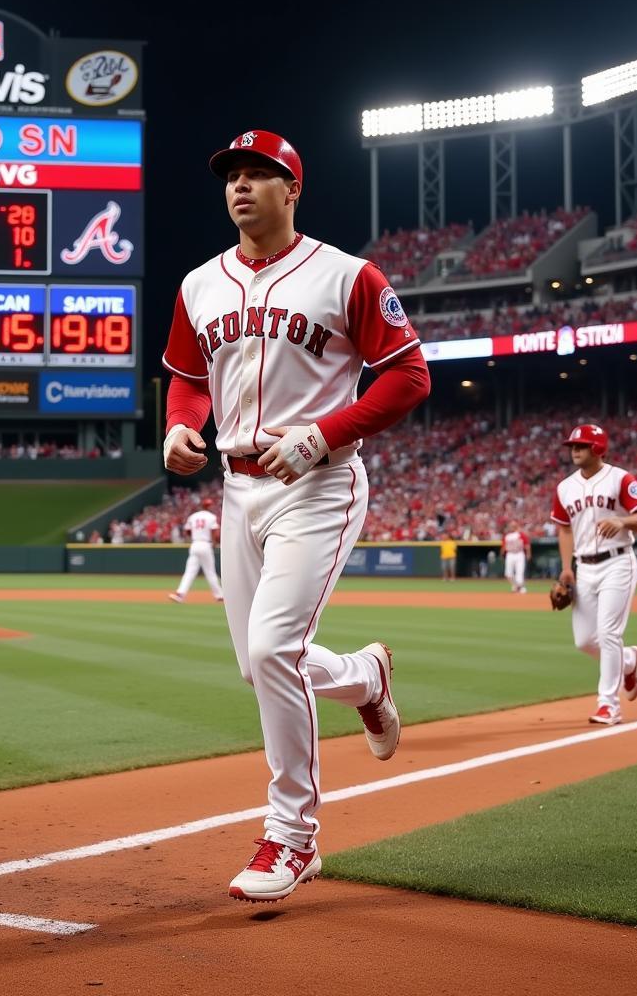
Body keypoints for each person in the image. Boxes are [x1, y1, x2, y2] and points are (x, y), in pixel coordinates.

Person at [162, 129, 431, 902]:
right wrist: (182, 425)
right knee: (260, 662)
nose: (241, 186)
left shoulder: (346, 275)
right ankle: (362, 676)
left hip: (319, 483)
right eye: (232, 176)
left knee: (275, 647)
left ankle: (292, 836)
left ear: (293, 190)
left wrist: (321, 435)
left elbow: (409, 378)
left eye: (259, 174)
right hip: (236, 486)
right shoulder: (199, 284)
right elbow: (186, 378)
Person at [551, 424, 637, 726]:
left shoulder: (621, 479)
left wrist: (621, 521)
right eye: (572, 446)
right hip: (584, 566)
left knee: (609, 633)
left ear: (598, 449)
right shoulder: (565, 487)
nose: (575, 450)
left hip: (617, 563)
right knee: (584, 640)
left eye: (581, 445)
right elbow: (564, 528)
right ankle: (630, 659)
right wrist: (567, 568)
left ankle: (609, 704)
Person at [168, 497, 223, 603]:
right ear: (209, 507)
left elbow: (187, 530)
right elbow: (215, 532)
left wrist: (194, 535)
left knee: (189, 572)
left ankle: (180, 594)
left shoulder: (193, 516)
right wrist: (215, 543)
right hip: (205, 544)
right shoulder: (211, 517)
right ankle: (219, 595)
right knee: (210, 572)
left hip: (195, 544)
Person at [501, 521, 531, 593]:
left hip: (519, 554)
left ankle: (521, 588)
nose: (511, 527)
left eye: (513, 526)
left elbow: (527, 545)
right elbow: (504, 547)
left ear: (516, 526)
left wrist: (528, 554)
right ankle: (516, 586)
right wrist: (502, 554)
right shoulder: (507, 536)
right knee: (508, 574)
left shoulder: (521, 534)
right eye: (511, 526)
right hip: (510, 554)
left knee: (519, 572)